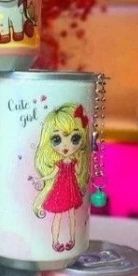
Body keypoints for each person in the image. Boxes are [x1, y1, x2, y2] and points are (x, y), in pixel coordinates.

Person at [30, 103, 91, 251]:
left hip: (71, 190)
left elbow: (78, 172)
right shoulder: (59, 163)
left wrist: (83, 170)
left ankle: (72, 240)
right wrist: (41, 179)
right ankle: (55, 242)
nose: (66, 146)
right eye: (56, 139)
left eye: (75, 138)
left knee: (71, 215)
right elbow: (52, 174)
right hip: (60, 190)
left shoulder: (74, 161)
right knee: (58, 215)